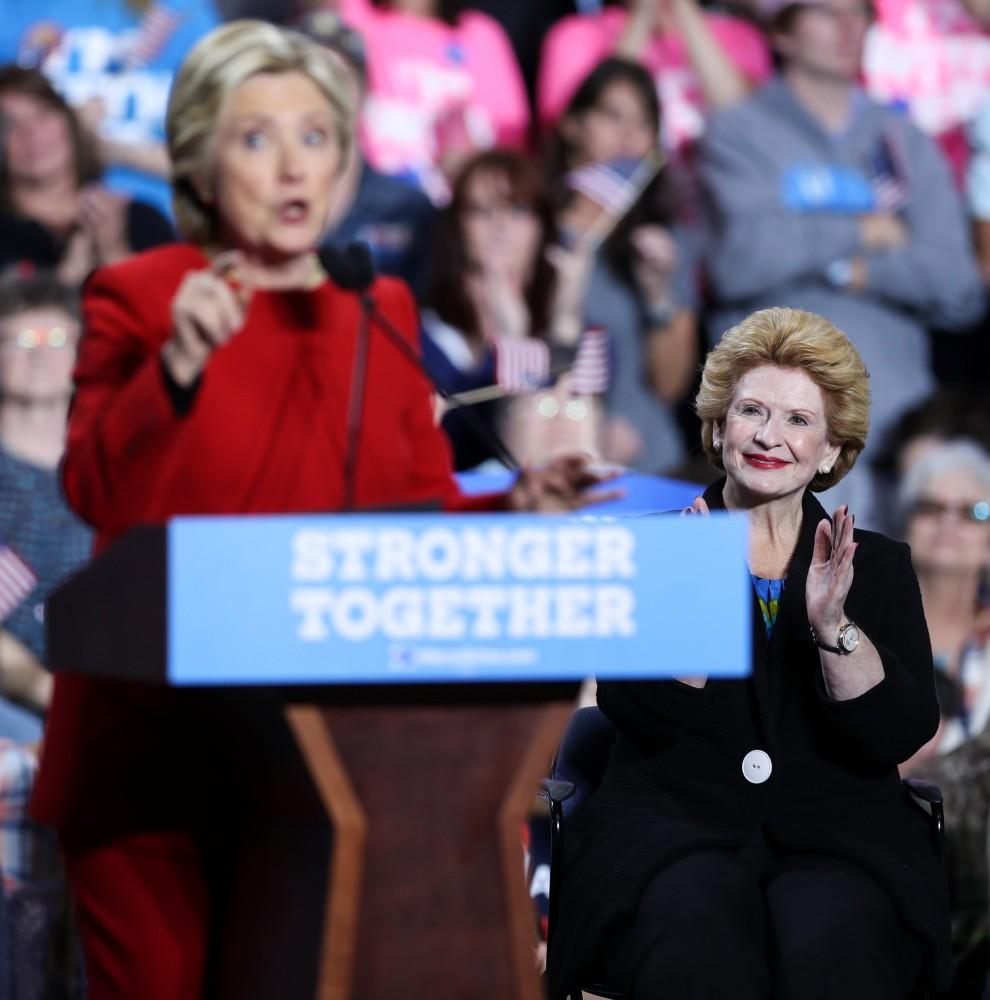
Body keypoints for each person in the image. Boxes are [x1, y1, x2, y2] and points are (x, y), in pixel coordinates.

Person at [27, 20, 610, 1000]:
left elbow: (410, 530)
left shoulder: (370, 305)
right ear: (202, 163)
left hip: (336, 773)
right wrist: (173, 369)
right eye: (258, 138)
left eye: (318, 136)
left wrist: (519, 509)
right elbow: (93, 488)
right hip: (156, 757)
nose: (295, 164)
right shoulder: (137, 293)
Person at [547, 306, 949, 1000]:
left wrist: (834, 628)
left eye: (798, 420)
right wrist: (699, 598)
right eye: (752, 411)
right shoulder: (657, 546)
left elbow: (897, 731)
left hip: (841, 838)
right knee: (695, 937)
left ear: (830, 451)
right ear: (717, 427)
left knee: (833, 940)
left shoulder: (878, 566)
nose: (769, 436)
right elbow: (638, 711)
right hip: (670, 833)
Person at [700, 0, 985, 525]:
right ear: (783, 32)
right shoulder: (739, 132)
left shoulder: (904, 140)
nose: (849, 27)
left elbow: (959, 285)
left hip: (898, 425)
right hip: (780, 431)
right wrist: (862, 232)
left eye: (860, 14)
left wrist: (852, 269)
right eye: (827, 13)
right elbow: (742, 259)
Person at [548, 57, 699, 474]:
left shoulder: (661, 242)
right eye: (613, 115)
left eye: (643, 123)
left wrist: (657, 294)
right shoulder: (528, 227)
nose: (629, 135)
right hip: (544, 464)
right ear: (573, 124)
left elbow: (671, 386)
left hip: (647, 468)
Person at [422, 148, 602, 470]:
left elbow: (577, 443)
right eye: (482, 210)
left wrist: (565, 322)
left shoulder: (574, 324)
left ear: (542, 227)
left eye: (517, 210)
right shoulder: (423, 335)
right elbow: (458, 436)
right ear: (456, 226)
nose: (500, 225)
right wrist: (512, 340)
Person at [0, 0, 220, 221]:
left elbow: (218, 164)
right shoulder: (13, 10)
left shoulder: (186, 10)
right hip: (45, 231)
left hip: (168, 225)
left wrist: (106, 147)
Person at [295, 10, 438, 298]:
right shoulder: (266, 202)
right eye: (313, 79)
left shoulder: (410, 209)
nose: (327, 94)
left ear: (366, 93)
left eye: (339, 78)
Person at [334, 0, 530, 202]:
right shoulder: (361, 23)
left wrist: (470, 163)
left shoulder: (479, 33)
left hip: (458, 207)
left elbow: (511, 145)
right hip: (375, 206)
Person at [0, 66, 174, 285]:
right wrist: (72, 272)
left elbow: (172, 309)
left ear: (69, 121)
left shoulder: (141, 220)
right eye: (8, 125)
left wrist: (114, 252)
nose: (31, 131)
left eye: (42, 113)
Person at [537, 0, 771, 152]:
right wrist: (641, 17)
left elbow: (743, 119)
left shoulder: (741, 35)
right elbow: (581, 127)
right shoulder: (576, 35)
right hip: (628, 200)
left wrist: (686, 14)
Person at [896, 441, 990, 757]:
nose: (948, 522)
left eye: (972, 512)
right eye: (931, 507)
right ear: (906, 524)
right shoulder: (859, 621)